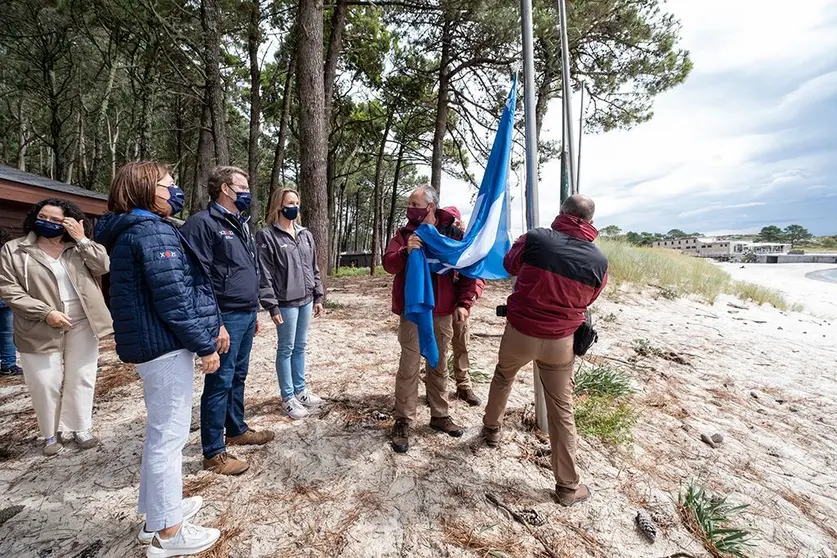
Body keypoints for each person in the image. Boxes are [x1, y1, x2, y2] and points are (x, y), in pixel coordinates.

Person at [95, 161, 222, 556]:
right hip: (165, 345)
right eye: (169, 185)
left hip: (154, 344)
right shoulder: (150, 232)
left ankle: (156, 516)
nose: (175, 190)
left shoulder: (134, 229)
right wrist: (204, 345)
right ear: (147, 190)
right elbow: (174, 299)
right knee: (170, 438)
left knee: (159, 435)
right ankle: (170, 535)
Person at [481, 194, 608, 507]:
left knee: (503, 378)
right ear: (590, 222)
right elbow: (589, 299)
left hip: (520, 331)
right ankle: (567, 486)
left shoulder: (537, 237)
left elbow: (510, 264)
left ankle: (491, 429)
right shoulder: (599, 261)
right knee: (562, 409)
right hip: (560, 342)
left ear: (562, 212)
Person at [180, 166, 273, 477]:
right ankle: (213, 452)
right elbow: (197, 278)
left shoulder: (241, 224)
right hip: (224, 316)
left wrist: (255, 310)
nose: (247, 191)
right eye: (242, 186)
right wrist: (215, 322)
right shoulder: (203, 224)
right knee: (219, 381)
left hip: (245, 313)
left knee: (238, 375)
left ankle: (236, 428)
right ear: (224, 189)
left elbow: (247, 270)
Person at [0, 200, 112, 455]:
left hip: (83, 321)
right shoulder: (15, 249)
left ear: (68, 222)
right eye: (43, 217)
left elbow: (102, 266)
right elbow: (8, 289)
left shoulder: (77, 248)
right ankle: (51, 434)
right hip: (38, 324)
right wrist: (46, 312)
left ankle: (81, 427)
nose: (47, 223)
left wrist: (82, 238)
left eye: (55, 220)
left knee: (81, 376)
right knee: (45, 381)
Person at [383, 187, 479, 453]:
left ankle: (440, 415)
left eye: (415, 203)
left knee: (438, 363)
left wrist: (464, 302)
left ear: (431, 206)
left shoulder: (453, 234)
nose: (410, 207)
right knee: (410, 365)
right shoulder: (404, 234)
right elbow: (388, 263)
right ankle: (403, 420)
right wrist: (405, 252)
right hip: (413, 310)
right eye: (409, 203)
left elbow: (468, 267)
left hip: (444, 309)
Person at [257, 188, 324, 420]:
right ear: (278, 206)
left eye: (296, 202)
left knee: (300, 346)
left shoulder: (305, 234)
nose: (293, 206)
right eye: (289, 202)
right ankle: (288, 398)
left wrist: (318, 295)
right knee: (285, 348)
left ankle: (301, 390)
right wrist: (271, 305)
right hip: (285, 302)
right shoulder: (267, 236)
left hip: (306, 299)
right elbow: (264, 274)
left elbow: (313, 267)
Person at [441, 206, 484, 407]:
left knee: (461, 345)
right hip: (437, 305)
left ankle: (463, 386)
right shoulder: (435, 243)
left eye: (454, 221)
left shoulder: (468, 245)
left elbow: (475, 276)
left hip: (460, 305)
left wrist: (465, 303)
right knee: (436, 348)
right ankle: (435, 386)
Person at [0, 227, 23, 376]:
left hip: (6, 297)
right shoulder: (7, 252)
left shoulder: (6, 253)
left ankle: (8, 364)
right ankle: (8, 364)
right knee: (7, 333)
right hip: (6, 296)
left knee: (8, 333)